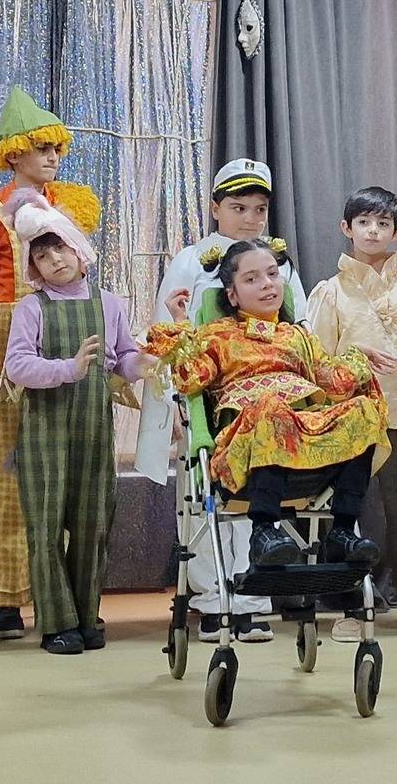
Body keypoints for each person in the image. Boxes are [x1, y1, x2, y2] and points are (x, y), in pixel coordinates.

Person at [146, 239, 393, 572]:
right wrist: (179, 324)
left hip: (304, 433)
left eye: (273, 274)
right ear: (232, 295)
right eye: (252, 279)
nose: (267, 284)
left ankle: (343, 530)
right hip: (246, 440)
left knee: (362, 410)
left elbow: (332, 381)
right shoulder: (216, 335)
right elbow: (190, 379)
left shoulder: (298, 336)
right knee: (270, 408)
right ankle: (263, 531)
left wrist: (357, 355)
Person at [134, 158, 304, 642]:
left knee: (256, 501)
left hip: (264, 403)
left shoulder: (279, 263)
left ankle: (251, 598)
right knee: (204, 502)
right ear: (215, 209)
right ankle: (212, 600)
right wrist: (177, 404)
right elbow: (167, 335)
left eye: (259, 209)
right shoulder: (192, 262)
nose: (250, 218)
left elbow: (301, 327)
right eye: (238, 207)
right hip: (207, 400)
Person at [0, 87, 102, 643]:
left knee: (70, 466)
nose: (51, 157)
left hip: (69, 323)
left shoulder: (70, 203)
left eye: (56, 148)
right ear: (14, 152)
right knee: (11, 466)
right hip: (11, 329)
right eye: (41, 147)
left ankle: (66, 592)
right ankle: (5, 594)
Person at [1, 197, 154, 655]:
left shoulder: (110, 303)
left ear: (78, 248)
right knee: (45, 526)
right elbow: (17, 366)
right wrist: (68, 368)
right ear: (33, 267)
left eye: (60, 248)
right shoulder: (32, 308)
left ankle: (86, 616)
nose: (54, 260)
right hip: (44, 432)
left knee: (92, 523)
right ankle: (56, 623)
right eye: (42, 255)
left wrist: (146, 364)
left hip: (93, 429)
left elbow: (124, 358)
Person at [307, 186, 397, 641]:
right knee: (347, 511)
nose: (372, 231)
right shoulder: (330, 293)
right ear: (346, 228)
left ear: (396, 232)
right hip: (346, 417)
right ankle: (350, 605)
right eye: (363, 222)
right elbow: (316, 360)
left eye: (382, 224)